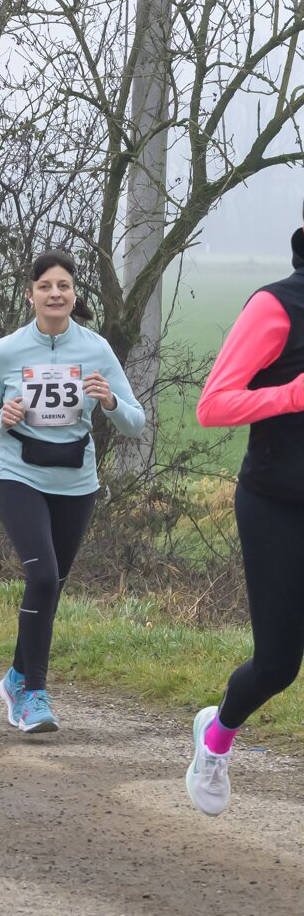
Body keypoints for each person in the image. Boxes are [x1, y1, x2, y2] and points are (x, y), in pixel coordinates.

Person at [0, 250, 143, 734]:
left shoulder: (96, 349)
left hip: (76, 481)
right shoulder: (9, 349)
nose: (55, 294)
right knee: (42, 576)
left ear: (74, 293)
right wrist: (0, 417)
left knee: (52, 585)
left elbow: (135, 421)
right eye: (45, 286)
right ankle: (33, 694)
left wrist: (110, 401)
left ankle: (16, 676)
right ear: (30, 294)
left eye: (63, 286)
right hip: (15, 473)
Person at [188, 208, 304, 815]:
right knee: (278, 665)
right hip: (277, 502)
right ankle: (217, 736)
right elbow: (213, 405)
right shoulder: (276, 306)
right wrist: (293, 394)